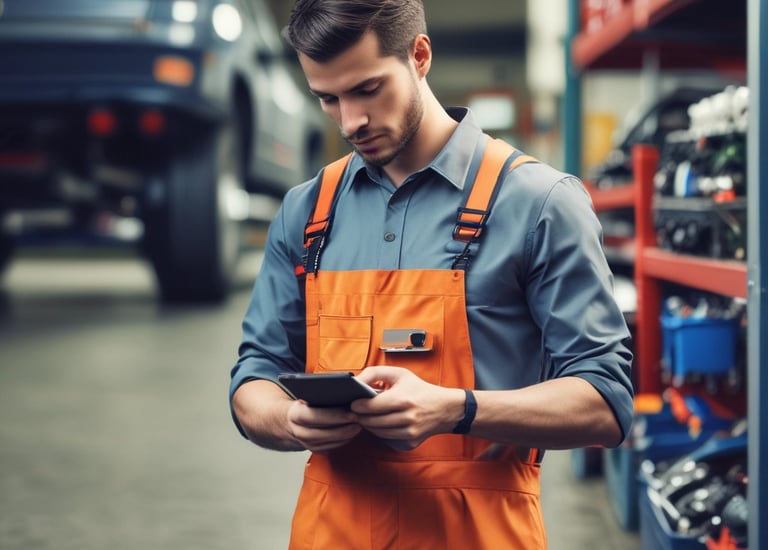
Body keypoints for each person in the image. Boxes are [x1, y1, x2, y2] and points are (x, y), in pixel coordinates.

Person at [229, 1, 633, 548]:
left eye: (368, 89)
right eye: (328, 99)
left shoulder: (539, 204)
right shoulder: (306, 213)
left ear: (419, 55)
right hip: (331, 530)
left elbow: (606, 401)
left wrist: (458, 409)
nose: (350, 122)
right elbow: (253, 376)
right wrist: (288, 421)